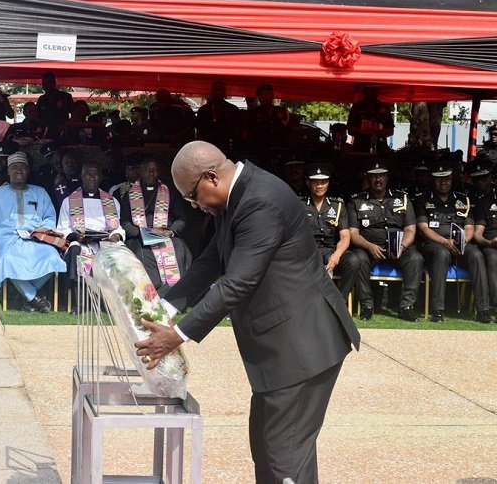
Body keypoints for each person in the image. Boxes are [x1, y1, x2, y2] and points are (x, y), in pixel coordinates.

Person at [134, 141, 360, 484]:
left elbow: (238, 282)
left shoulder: (260, 201)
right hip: (282, 349)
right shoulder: (236, 196)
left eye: (193, 197)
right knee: (274, 450)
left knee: (283, 456)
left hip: (303, 346)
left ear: (211, 177)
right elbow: (211, 261)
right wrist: (165, 307)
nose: (196, 207)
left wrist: (177, 336)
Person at [0, 151, 65, 313]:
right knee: (8, 259)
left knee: (53, 257)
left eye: (23, 167)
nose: (19, 170)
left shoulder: (40, 192)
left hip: (36, 239)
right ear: (8, 171)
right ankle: (32, 297)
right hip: (6, 240)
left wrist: (41, 232)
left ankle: (24, 295)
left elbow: (49, 217)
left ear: (28, 171)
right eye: (15, 167)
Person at [346, 158, 423, 321]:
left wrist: (402, 246)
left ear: (387, 177)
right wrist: (369, 246)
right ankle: (367, 305)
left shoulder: (402, 198)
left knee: (415, 258)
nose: (378, 179)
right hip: (369, 248)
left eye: (381, 175)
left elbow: (410, 229)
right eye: (374, 176)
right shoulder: (357, 200)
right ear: (368, 178)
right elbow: (353, 233)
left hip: (398, 247)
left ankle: (406, 307)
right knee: (358, 258)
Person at [415, 162, 492, 323]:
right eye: (439, 179)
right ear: (433, 180)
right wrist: (445, 241)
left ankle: (483, 310)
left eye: (447, 179)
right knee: (441, 254)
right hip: (434, 244)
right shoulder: (423, 199)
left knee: (477, 254)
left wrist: (461, 241)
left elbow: (469, 227)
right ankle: (438, 310)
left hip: (460, 243)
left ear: (452, 179)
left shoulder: (463, 199)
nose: (443, 182)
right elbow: (423, 228)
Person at [119, 157, 192, 292]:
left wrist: (171, 232)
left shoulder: (169, 192)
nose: (151, 174)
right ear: (140, 172)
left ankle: (176, 291)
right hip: (139, 237)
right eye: (147, 170)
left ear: (159, 173)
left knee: (180, 247)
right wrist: (141, 234)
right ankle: (152, 290)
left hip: (165, 235)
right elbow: (124, 222)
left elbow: (181, 219)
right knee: (141, 252)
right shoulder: (129, 194)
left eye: (154, 170)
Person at [57, 161, 124, 296]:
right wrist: (76, 236)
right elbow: (63, 228)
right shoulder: (69, 201)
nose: (92, 178)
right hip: (81, 242)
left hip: (105, 242)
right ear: (82, 176)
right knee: (75, 249)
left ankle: (110, 299)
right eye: (88, 174)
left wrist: (116, 235)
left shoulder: (112, 201)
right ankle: (80, 301)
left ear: (100, 177)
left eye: (95, 175)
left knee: (121, 253)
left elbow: (118, 228)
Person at [303, 163, 359, 298]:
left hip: (330, 250)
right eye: (315, 182)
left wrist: (337, 254)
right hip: (308, 250)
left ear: (328, 183)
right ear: (308, 183)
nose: (320, 186)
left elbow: (345, 236)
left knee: (353, 261)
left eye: (323, 182)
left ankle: (340, 300)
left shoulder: (337, 204)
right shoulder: (299, 203)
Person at [473, 163, 497, 317]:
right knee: (493, 257)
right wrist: (490, 243)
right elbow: (477, 235)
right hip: (491, 245)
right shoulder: (485, 201)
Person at [195, 80, 242, 151]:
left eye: (221, 90)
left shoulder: (232, 109)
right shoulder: (204, 110)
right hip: (209, 146)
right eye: (217, 90)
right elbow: (199, 131)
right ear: (212, 91)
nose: (219, 92)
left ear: (225, 92)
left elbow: (238, 130)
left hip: (227, 147)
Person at [347, 84, 394, 153]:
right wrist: (365, 132)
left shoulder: (384, 107)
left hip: (380, 149)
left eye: (375, 90)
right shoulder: (357, 107)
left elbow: (390, 130)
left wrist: (377, 133)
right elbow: (350, 129)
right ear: (365, 91)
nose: (373, 92)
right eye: (370, 90)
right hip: (360, 148)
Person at [37, 71, 74, 140]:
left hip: (63, 133)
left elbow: (74, 114)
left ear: (54, 83)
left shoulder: (65, 97)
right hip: (46, 133)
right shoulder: (41, 99)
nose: (46, 86)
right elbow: (38, 116)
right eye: (44, 83)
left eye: (48, 83)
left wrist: (66, 125)